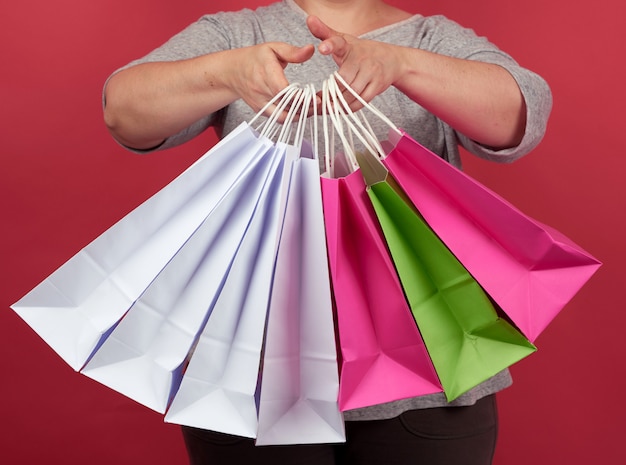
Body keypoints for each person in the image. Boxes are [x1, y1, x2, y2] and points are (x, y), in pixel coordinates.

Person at [103, 1, 552, 464]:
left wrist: (401, 64)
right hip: (252, 372)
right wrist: (226, 72)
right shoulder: (239, 33)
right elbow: (124, 113)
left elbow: (521, 114)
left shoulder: (428, 39)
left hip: (431, 375)